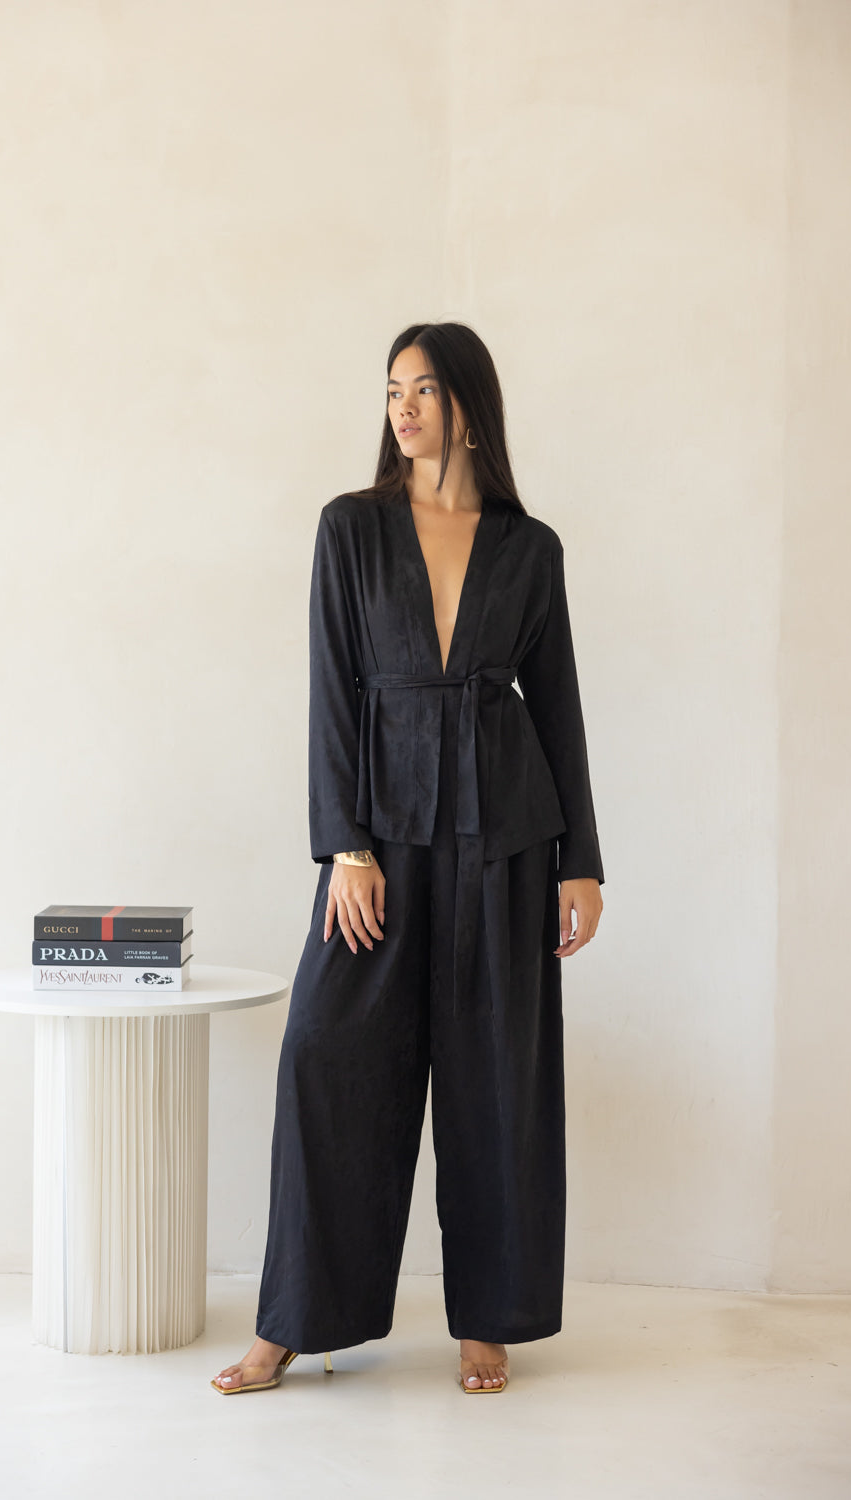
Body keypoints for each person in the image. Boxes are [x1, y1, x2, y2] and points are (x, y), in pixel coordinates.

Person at [211, 321, 604, 1395]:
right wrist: (345, 845)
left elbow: (557, 706)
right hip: (379, 839)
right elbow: (330, 691)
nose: (403, 408)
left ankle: (488, 1319)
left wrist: (580, 861)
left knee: (495, 1077)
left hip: (505, 839)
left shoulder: (530, 547)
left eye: (424, 389)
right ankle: (292, 1321)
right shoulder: (351, 527)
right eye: (393, 390)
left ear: (469, 404)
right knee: (326, 1057)